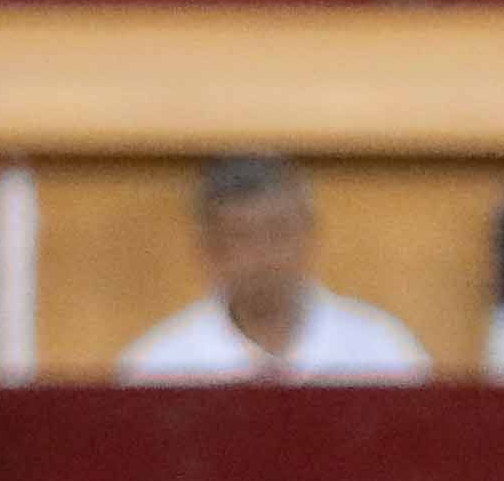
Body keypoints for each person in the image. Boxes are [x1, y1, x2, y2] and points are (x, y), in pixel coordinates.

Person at [119, 149, 430, 380]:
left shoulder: (381, 352)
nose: (263, 257)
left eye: (278, 233)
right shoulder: (159, 366)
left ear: (309, 233)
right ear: (207, 250)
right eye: (241, 238)